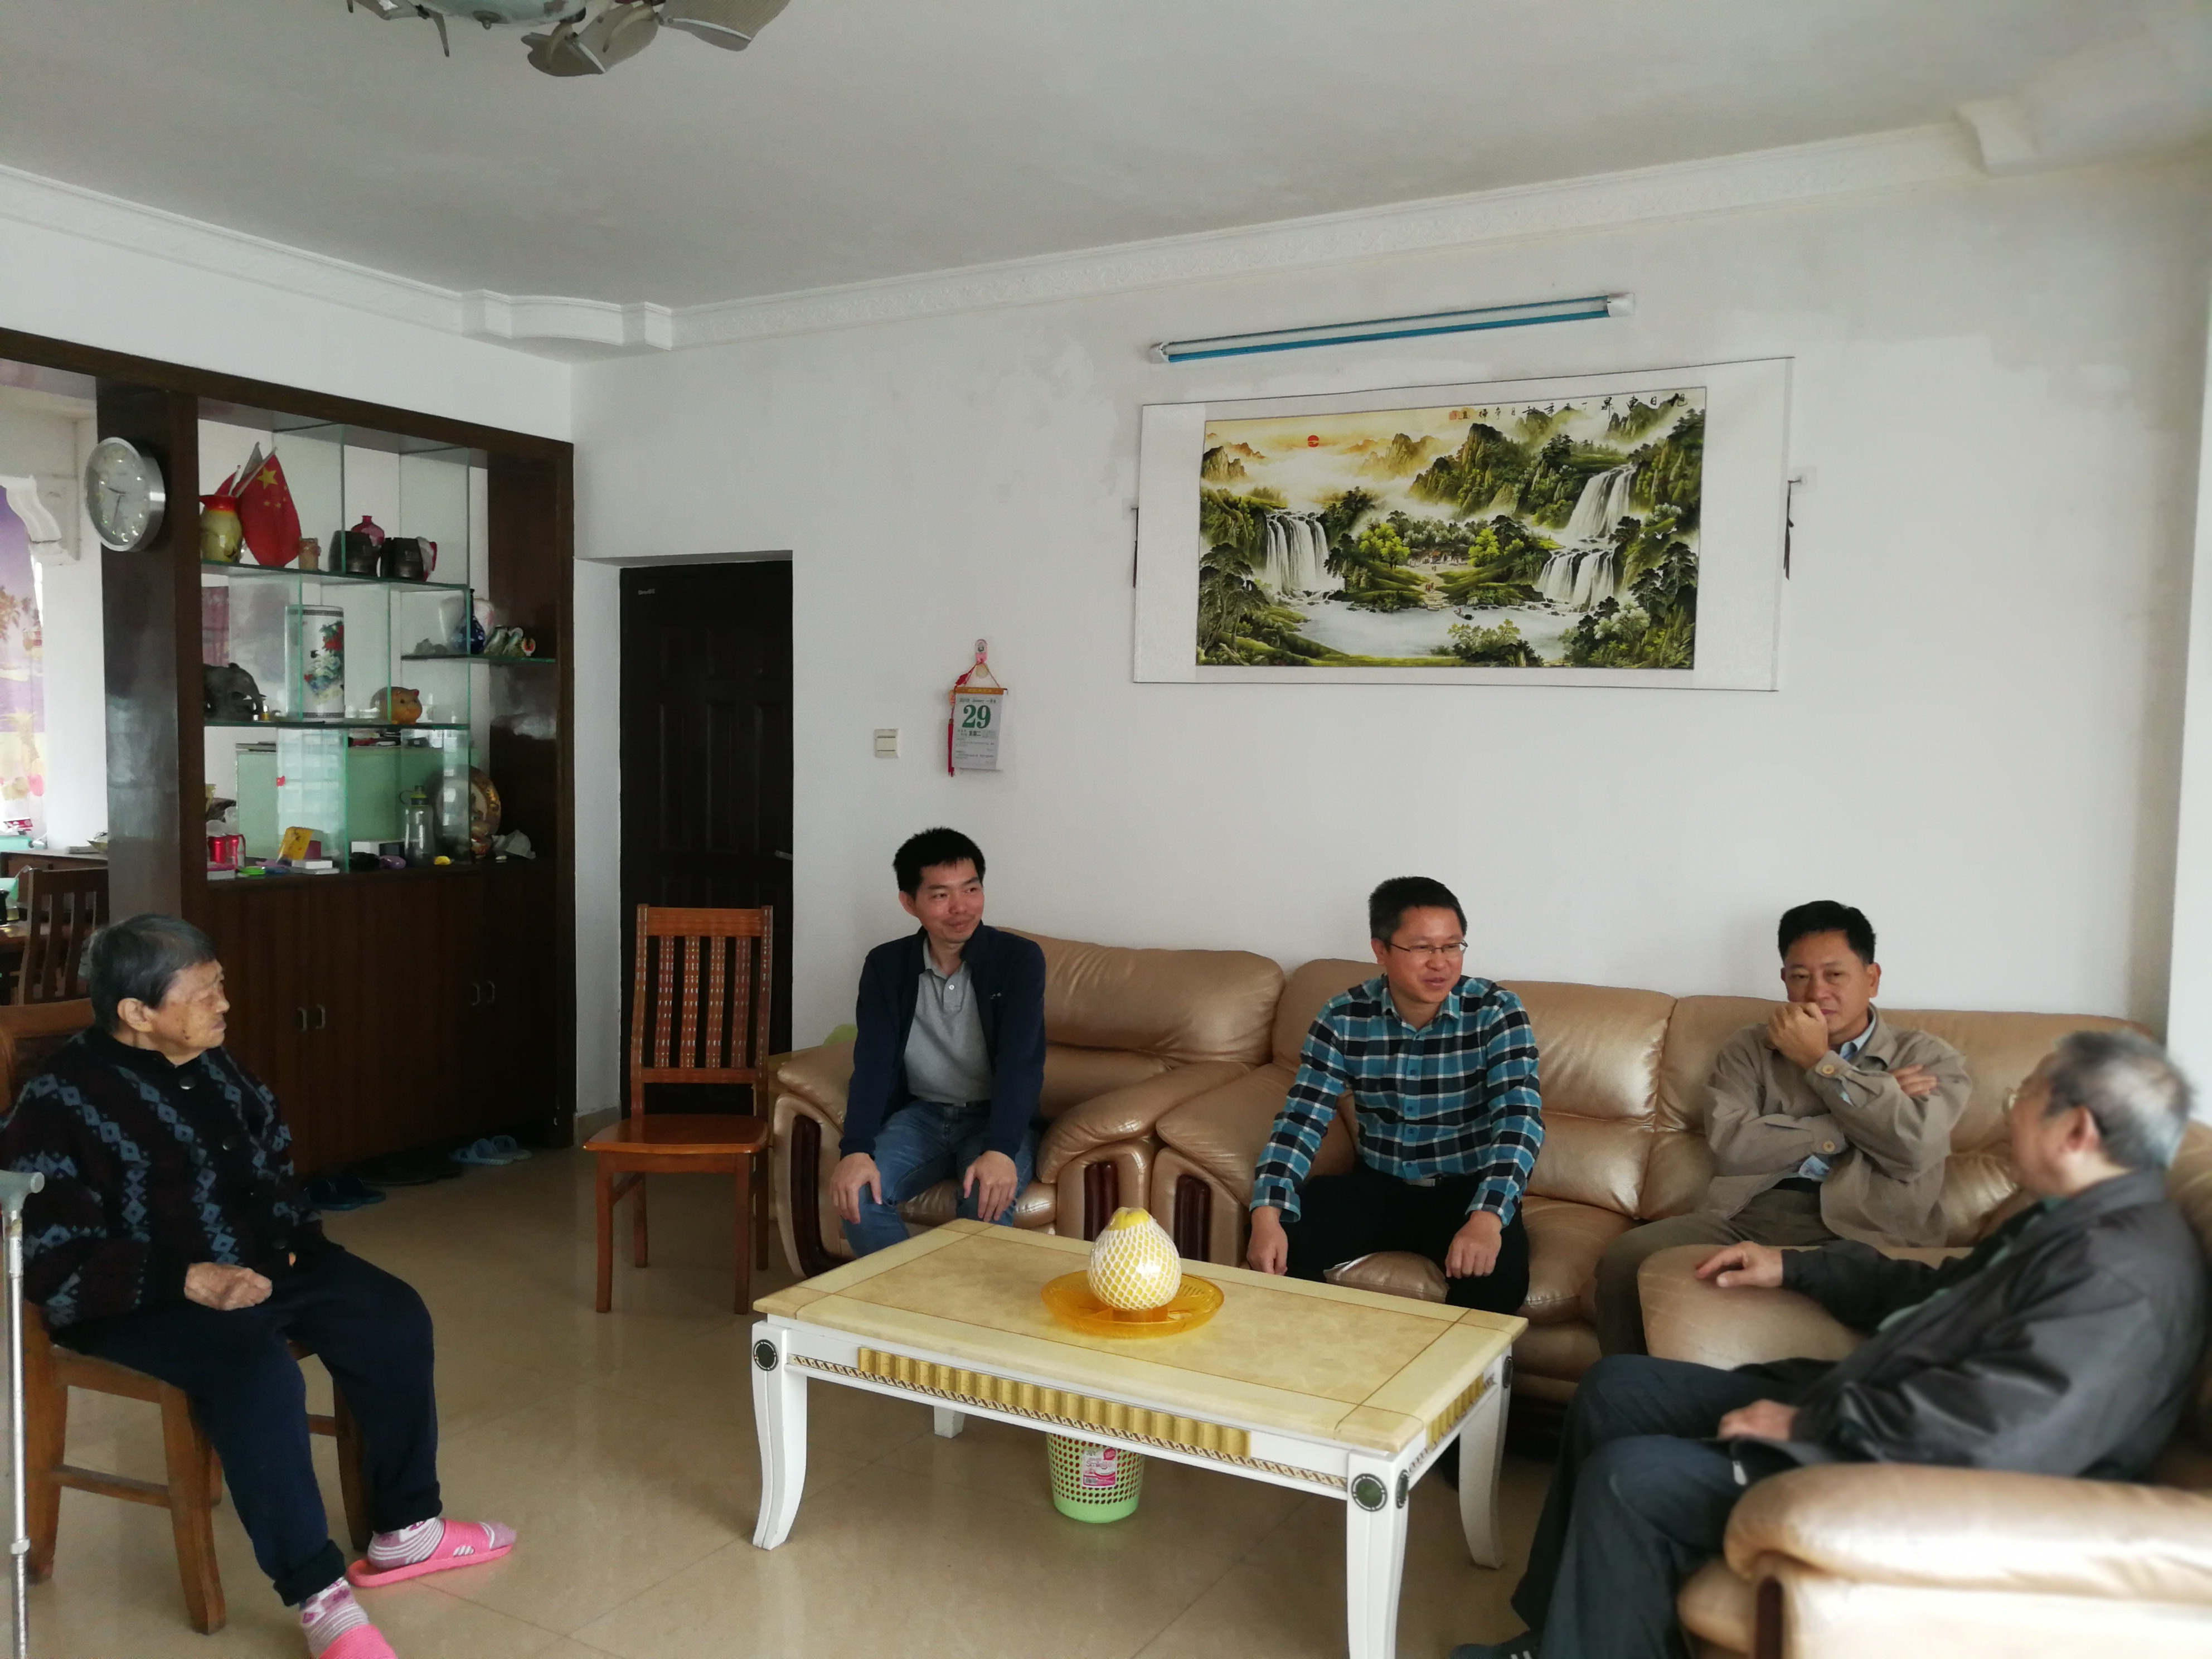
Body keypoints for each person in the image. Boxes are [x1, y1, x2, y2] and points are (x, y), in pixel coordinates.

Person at [1453, 1028, 2207, 1659]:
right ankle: (1556, 1638)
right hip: (1881, 1409)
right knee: (1618, 1386)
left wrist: (1813, 1423)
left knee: (1631, 1477)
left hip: (1924, 1475)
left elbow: (2002, 1430)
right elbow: (1937, 1291)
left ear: (2077, 1131)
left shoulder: (2119, 1275)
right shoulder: (2066, 1221)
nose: (2008, 1119)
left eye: (2024, 1099)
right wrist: (1797, 1266)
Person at [0, 915, 514, 1659]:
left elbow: (271, 1155)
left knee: (390, 1313)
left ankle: (407, 1528)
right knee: (258, 1374)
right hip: (136, 1299)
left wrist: (295, 1238)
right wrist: (186, 1278)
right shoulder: (58, 1104)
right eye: (204, 993)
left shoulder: (213, 1064)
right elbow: (51, 1255)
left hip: (262, 1261)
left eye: (221, 986)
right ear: (138, 1013)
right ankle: (319, 1595)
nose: (224, 1005)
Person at [1594, 900, 1971, 1356]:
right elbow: (1734, 1146)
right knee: (1629, 1256)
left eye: (1835, 975)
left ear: (1872, 978)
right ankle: (1636, 1387)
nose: (1817, 992)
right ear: (1784, 980)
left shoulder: (1927, 1057)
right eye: (1800, 976)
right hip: (1750, 1215)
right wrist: (1867, 1108)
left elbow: (1912, 1152)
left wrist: (1819, 1062)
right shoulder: (1749, 1047)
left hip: (1865, 1227)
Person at [1246, 876, 1542, 1316]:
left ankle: (1453, 1365)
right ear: (1381, 950)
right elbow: (1302, 1120)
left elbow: (1520, 1120)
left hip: (1466, 1191)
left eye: (1452, 946)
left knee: (1496, 1278)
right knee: (1280, 1240)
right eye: (1422, 948)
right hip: (1379, 1186)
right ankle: (1322, 1352)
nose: (1440, 963)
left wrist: (1487, 1218)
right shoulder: (1343, 1017)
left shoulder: (1497, 1012)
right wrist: (1266, 1212)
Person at [830, 827, 1046, 1255]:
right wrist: (855, 1149)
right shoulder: (886, 965)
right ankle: (910, 1297)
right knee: (858, 1195)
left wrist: (1001, 1149)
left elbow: (1021, 1061)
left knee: (985, 1200)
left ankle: (955, 1300)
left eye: (971, 889)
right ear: (909, 902)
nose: (961, 907)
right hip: (922, 1115)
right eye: (941, 895)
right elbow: (873, 1063)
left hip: (993, 1117)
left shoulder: (1018, 960)